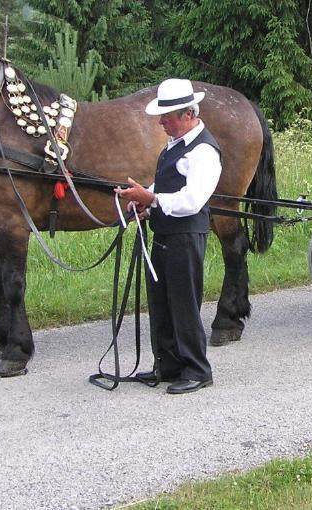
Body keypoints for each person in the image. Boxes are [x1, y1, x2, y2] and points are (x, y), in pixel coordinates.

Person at [115, 79, 222, 395]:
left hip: (185, 237)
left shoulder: (203, 151)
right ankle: (169, 363)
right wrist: (145, 196)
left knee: (184, 304)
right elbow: (166, 190)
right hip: (165, 233)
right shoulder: (176, 145)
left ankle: (197, 369)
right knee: (161, 302)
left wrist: (151, 200)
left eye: (168, 116)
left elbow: (192, 200)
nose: (161, 121)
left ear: (188, 114)